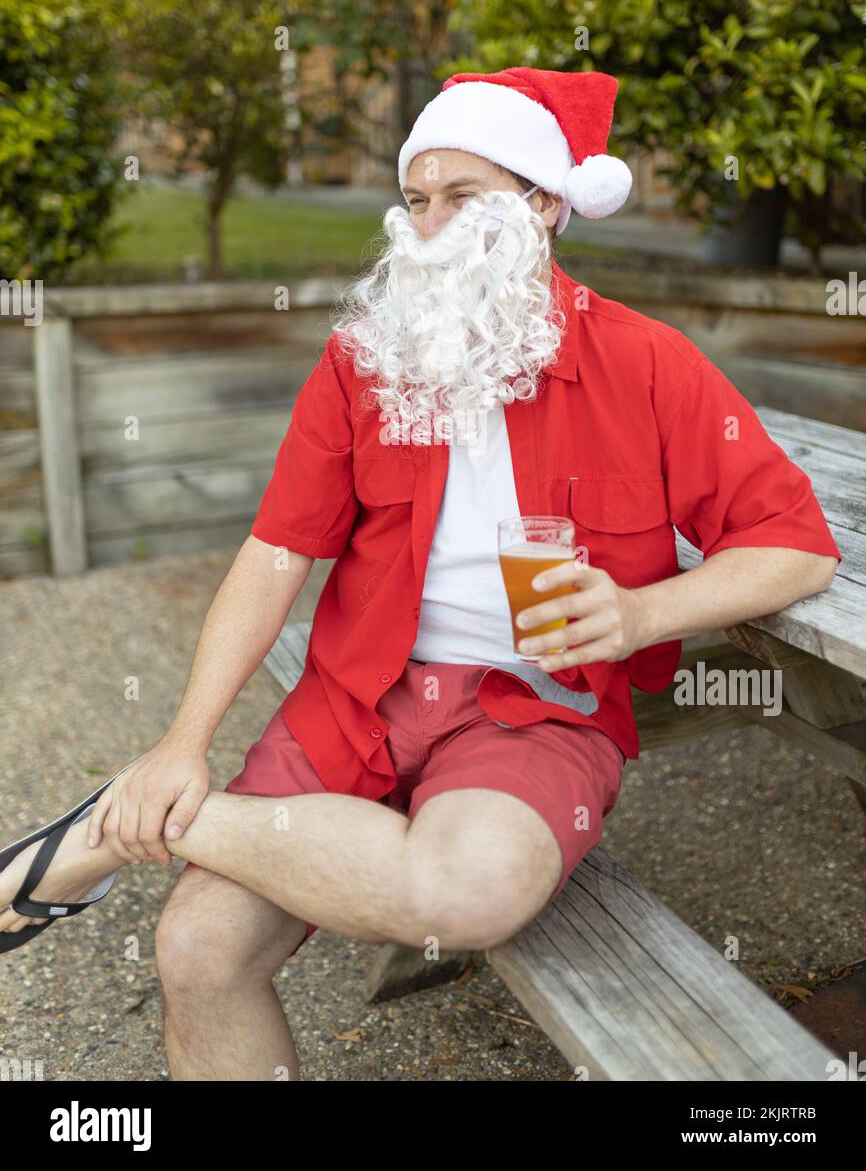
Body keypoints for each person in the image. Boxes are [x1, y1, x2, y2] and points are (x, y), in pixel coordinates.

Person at [0, 68, 841, 1082]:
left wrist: (637, 611)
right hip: (361, 694)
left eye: (465, 196)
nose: (430, 223)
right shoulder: (364, 360)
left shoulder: (648, 363)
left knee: (471, 888)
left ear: (543, 205)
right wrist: (183, 740)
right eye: (416, 199)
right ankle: (156, 796)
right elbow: (273, 556)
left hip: (535, 710)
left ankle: (122, 819)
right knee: (196, 949)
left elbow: (794, 544)